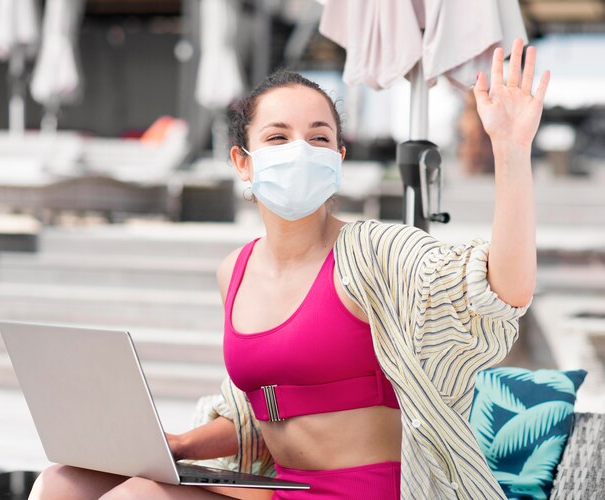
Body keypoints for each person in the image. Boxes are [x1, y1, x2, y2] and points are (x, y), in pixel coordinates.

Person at [29, 38, 549, 499]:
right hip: (280, 487)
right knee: (61, 482)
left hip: (365, 491)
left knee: (138, 499)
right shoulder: (234, 271)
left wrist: (510, 150)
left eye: (319, 138)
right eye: (277, 137)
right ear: (242, 162)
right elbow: (268, 411)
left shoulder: (376, 250)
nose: (300, 150)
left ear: (338, 158)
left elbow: (502, 289)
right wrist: (181, 444)